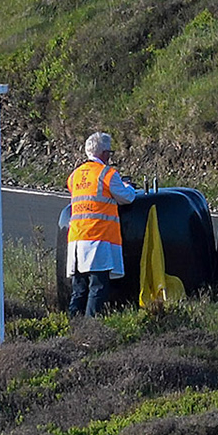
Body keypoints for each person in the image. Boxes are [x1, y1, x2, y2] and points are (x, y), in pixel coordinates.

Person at [66, 131, 138, 318]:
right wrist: (128, 185)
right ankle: (91, 329)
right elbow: (127, 197)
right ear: (105, 153)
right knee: (98, 287)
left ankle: (72, 326)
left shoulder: (75, 176)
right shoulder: (107, 174)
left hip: (76, 239)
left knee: (79, 289)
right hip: (98, 238)